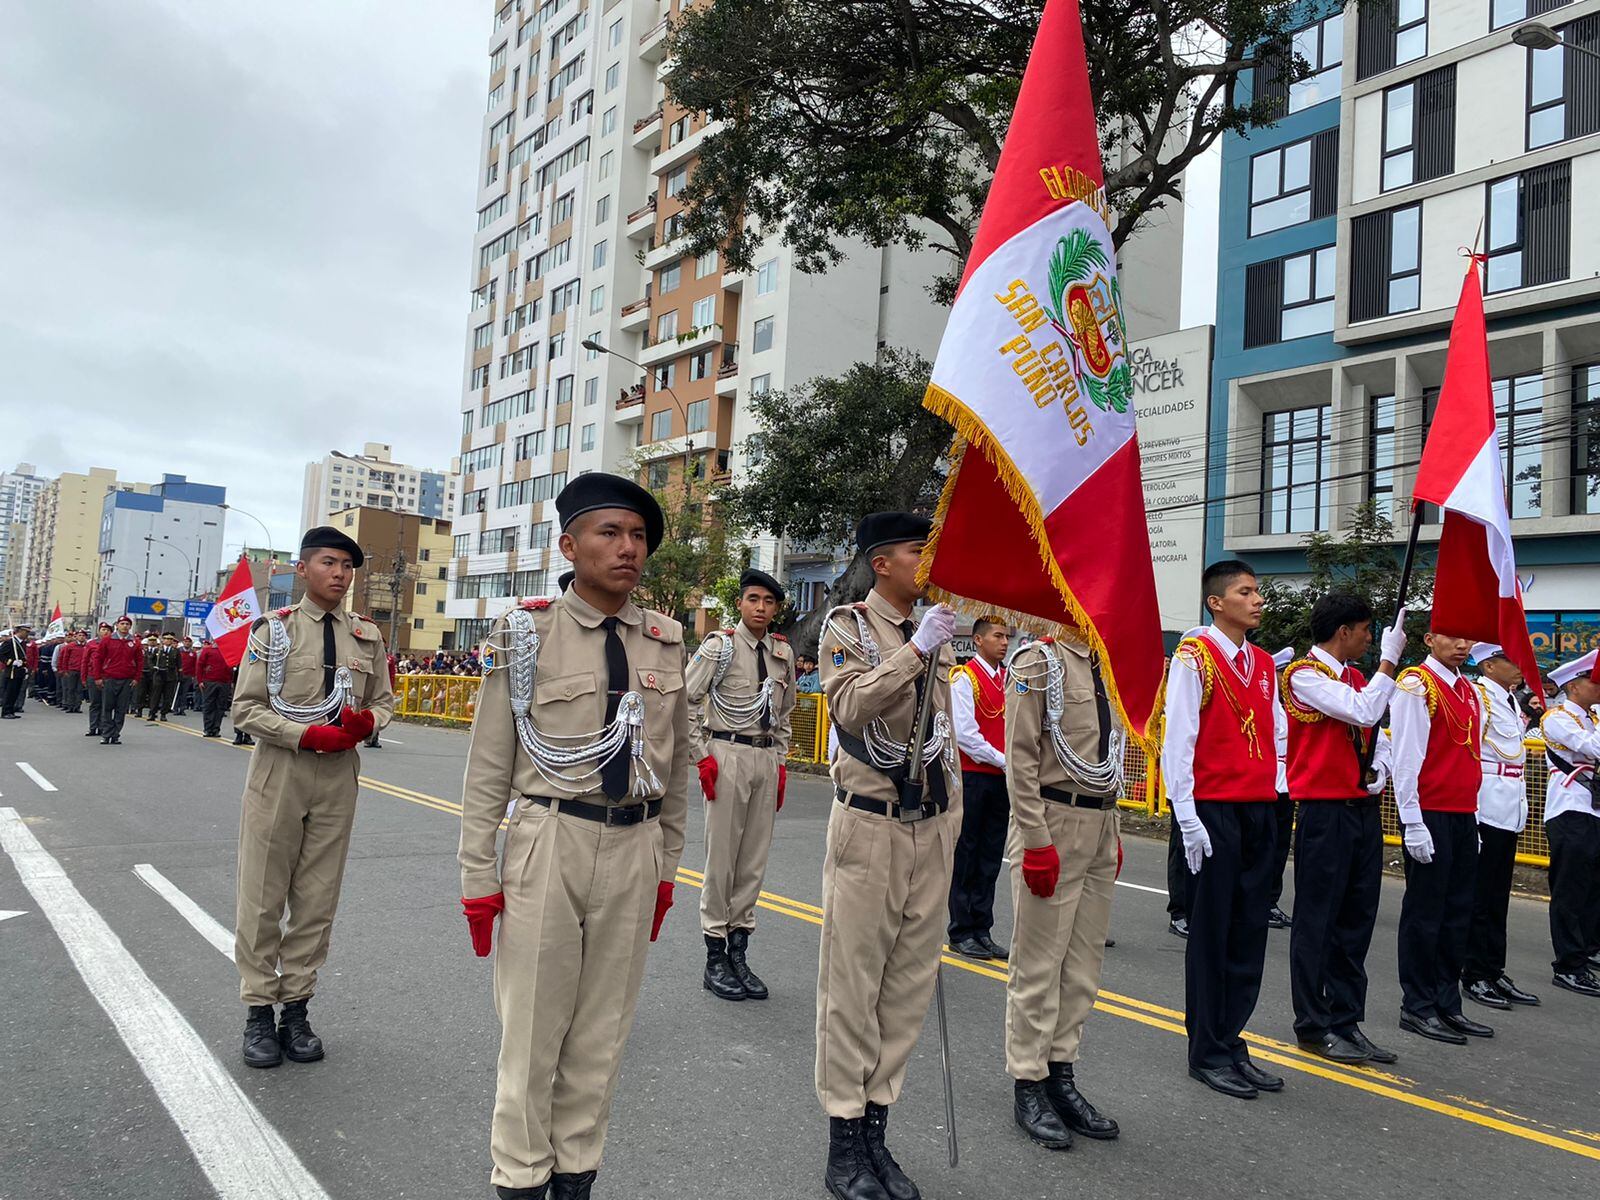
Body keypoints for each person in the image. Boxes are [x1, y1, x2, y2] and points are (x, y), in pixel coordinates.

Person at [457, 474, 687, 1200]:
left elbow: (673, 769)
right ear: (569, 544)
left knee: (602, 1035)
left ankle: (576, 1176)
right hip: (550, 839)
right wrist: (478, 877)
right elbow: (488, 768)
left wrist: (666, 870)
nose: (628, 549)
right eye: (610, 533)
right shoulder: (526, 633)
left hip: (635, 844)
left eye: (639, 536)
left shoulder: (666, 640)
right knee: (531, 1034)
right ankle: (521, 1179)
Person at [815, 512, 960, 1200]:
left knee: (907, 989)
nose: (927, 560)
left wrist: (952, 819)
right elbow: (849, 710)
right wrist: (912, 653)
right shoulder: (848, 627)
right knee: (854, 991)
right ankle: (844, 1142)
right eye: (915, 549)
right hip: (871, 825)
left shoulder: (938, 629)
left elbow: (945, 738)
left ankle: (878, 1129)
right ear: (881, 563)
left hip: (930, 827)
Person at [231, 526, 392, 1070]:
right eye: (328, 562)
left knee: (318, 898)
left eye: (347, 565)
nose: (339, 574)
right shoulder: (273, 632)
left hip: (339, 773)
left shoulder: (367, 635)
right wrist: (304, 733)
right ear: (303, 569)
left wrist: (367, 721)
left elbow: (385, 700)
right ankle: (258, 1010)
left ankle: (295, 1009)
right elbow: (246, 710)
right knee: (263, 894)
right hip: (283, 768)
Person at [1161, 560, 1287, 1100]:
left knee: (1249, 932)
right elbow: (1180, 736)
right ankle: (1206, 1049)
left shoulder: (1263, 662)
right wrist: (1186, 815)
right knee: (1213, 933)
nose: (1257, 600)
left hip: (1260, 808)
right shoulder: (1195, 656)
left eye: (1258, 591)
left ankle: (1233, 1040)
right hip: (1214, 810)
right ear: (1217, 602)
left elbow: (1278, 735)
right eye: (1246, 591)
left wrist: (1280, 792)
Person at [1003, 629, 1122, 1150]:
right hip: (1053, 820)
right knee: (1038, 964)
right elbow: (1021, 759)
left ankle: (1061, 1075)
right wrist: (1034, 839)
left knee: (1082, 966)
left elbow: (1112, 748)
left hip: (1098, 821)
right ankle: (1028, 1081)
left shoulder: (1111, 667)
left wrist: (1112, 830)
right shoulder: (1037, 661)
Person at [1280, 595, 1405, 1066]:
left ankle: (1347, 1020)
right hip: (1323, 811)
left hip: (1360, 808)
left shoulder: (1356, 677)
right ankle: (1313, 1024)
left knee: (1357, 919)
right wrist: (1390, 661)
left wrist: (1381, 769)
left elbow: (1380, 732)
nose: (1372, 638)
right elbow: (1365, 712)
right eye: (1366, 630)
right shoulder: (1304, 675)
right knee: (1318, 920)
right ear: (1343, 631)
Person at [687, 567, 797, 1002]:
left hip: (764, 755)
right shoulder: (719, 647)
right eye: (754, 599)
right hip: (727, 752)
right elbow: (687, 700)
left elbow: (784, 712)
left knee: (752, 860)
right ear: (740, 603)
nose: (761, 608)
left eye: (769, 602)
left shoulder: (781, 654)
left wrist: (781, 761)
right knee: (722, 859)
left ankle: (739, 950)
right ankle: (715, 955)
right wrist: (703, 757)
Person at [1391, 626, 1490, 1044]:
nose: (1462, 646)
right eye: (1453, 638)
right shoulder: (1417, 685)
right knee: (1426, 913)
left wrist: (1477, 817)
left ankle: (1448, 1002)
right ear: (1430, 639)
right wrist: (1412, 821)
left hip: (1463, 813)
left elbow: (1474, 758)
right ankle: (1417, 1004)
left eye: (1468, 639)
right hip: (1430, 812)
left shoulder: (1469, 690)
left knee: (1457, 913)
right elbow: (1406, 758)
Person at [1462, 643, 1540, 1009]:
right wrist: (1472, 813)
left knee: (1498, 896)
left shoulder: (1509, 699)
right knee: (1480, 897)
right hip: (1486, 805)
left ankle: (1494, 969)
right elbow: (1470, 753)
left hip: (1509, 804)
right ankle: (1474, 973)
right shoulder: (1479, 697)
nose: (1520, 665)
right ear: (1489, 665)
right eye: (1511, 659)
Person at [947, 616, 1012, 960]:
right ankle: (960, 929)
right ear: (978, 640)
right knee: (967, 853)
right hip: (974, 777)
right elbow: (966, 735)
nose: (1004, 642)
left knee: (991, 854)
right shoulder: (964, 678)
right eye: (997, 636)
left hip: (1000, 777)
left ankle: (982, 927)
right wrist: (1003, 759)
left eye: (1006, 636)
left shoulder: (1009, 679)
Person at [1538, 651, 1600, 998]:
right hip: (1570, 810)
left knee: (1593, 887)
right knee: (1571, 890)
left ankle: (1589, 947)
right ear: (1574, 686)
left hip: (1594, 810)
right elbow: (1595, 748)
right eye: (1594, 680)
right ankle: (1568, 964)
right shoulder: (1557, 718)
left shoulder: (1591, 716)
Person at [1265, 645, 1296, 930]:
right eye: (1280, 672)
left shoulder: (1290, 705)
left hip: (1288, 786)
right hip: (1266, 786)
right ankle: (1259, 901)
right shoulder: (1264, 703)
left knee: (1279, 848)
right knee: (1264, 847)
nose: (1284, 677)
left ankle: (1270, 902)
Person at [98, 618, 143, 744]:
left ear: (130, 626)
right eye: (122, 624)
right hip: (110, 678)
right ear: (117, 625)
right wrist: (98, 677)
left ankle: (115, 734)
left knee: (121, 709)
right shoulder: (107, 640)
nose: (124, 626)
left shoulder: (135, 642)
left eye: (127, 624)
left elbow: (140, 662)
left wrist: (136, 678)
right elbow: (98, 659)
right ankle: (106, 734)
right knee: (107, 707)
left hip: (126, 679)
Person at [196, 637, 235, 738]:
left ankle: (216, 729)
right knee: (209, 705)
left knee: (220, 707)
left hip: (224, 682)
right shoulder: (207, 650)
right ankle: (208, 729)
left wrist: (230, 682)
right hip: (210, 681)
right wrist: (200, 680)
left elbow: (231, 667)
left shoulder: (228, 651)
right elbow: (200, 666)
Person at [147, 632, 183, 722]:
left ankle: (163, 714)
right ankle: (152, 713)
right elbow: (150, 660)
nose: (168, 641)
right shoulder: (158, 650)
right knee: (156, 695)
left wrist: (180, 675)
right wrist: (153, 668)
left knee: (167, 696)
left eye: (170, 639)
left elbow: (179, 664)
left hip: (170, 675)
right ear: (163, 640)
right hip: (159, 674)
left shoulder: (175, 651)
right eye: (166, 639)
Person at [83, 622, 111, 737]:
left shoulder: (113, 644)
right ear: (99, 631)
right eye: (103, 629)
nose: (105, 632)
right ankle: (93, 727)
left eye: (107, 630)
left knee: (106, 704)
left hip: (108, 677)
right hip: (93, 676)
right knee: (95, 703)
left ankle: (103, 727)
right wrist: (84, 678)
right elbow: (85, 661)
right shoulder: (91, 644)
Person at [0, 624, 29, 718]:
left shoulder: (22, 643)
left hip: (19, 671)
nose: (27, 634)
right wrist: (11, 662)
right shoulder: (10, 642)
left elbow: (23, 657)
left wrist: (23, 665)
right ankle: (5, 712)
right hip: (11, 671)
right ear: (19, 631)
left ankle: (11, 711)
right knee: (9, 693)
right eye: (26, 632)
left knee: (15, 692)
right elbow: (1, 654)